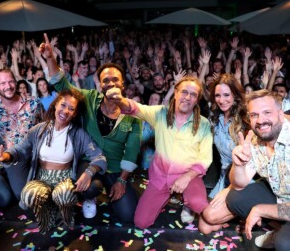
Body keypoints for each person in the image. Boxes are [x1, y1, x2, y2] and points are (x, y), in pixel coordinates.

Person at [41, 33, 141, 223]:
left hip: (114, 167)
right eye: (105, 80)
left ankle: (114, 191)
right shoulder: (88, 98)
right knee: (88, 188)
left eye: (115, 79)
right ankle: (91, 198)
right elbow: (62, 84)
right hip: (89, 161)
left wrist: (121, 181)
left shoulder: (133, 112)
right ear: (100, 84)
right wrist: (50, 58)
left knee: (128, 215)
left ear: (123, 83)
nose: (110, 83)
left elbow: (132, 151)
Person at [0, 89, 107, 234]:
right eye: (63, 105)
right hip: (42, 177)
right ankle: (47, 217)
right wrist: (5, 157)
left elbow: (99, 156)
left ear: (75, 114)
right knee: (29, 194)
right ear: (56, 105)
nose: (66, 111)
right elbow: (20, 150)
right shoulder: (39, 130)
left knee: (63, 194)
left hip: (64, 178)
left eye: (71, 109)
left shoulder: (78, 134)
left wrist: (89, 172)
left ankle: (66, 215)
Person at [106, 76, 213, 229]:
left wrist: (186, 178)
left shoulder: (203, 124)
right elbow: (135, 108)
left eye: (193, 94)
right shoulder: (160, 114)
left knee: (198, 203)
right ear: (175, 93)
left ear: (197, 100)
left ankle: (187, 204)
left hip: (188, 176)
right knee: (141, 223)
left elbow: (205, 158)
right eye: (184, 92)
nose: (188, 97)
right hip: (160, 177)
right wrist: (119, 99)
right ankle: (168, 197)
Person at [226, 89, 290, 250]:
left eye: (267, 112)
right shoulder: (255, 139)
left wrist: (260, 210)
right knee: (235, 198)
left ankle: (282, 234)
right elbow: (239, 184)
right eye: (254, 115)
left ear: (281, 114)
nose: (260, 120)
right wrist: (239, 164)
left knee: (284, 244)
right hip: (282, 199)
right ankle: (279, 228)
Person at [198, 74, 249, 234]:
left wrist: (233, 187)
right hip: (224, 178)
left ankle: (249, 209)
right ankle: (239, 213)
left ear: (235, 95)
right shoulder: (216, 119)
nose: (222, 100)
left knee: (210, 216)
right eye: (218, 95)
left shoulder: (246, 120)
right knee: (204, 227)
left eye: (227, 95)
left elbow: (254, 166)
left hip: (245, 180)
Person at [0, 69, 44, 207]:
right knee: (24, 196)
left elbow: (47, 126)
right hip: (14, 158)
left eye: (11, 81)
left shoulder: (33, 103)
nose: (8, 86)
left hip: (38, 154)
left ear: (16, 81)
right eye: (3, 83)